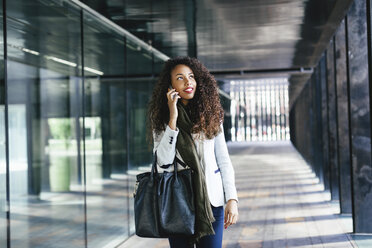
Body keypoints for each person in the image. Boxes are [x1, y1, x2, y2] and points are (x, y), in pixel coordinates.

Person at [147, 56, 238, 248]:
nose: (188, 82)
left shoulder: (211, 116)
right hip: (178, 204)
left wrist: (232, 198)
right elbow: (162, 162)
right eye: (180, 78)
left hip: (211, 202)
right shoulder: (161, 121)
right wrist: (173, 119)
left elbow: (223, 160)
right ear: (170, 85)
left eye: (191, 76)